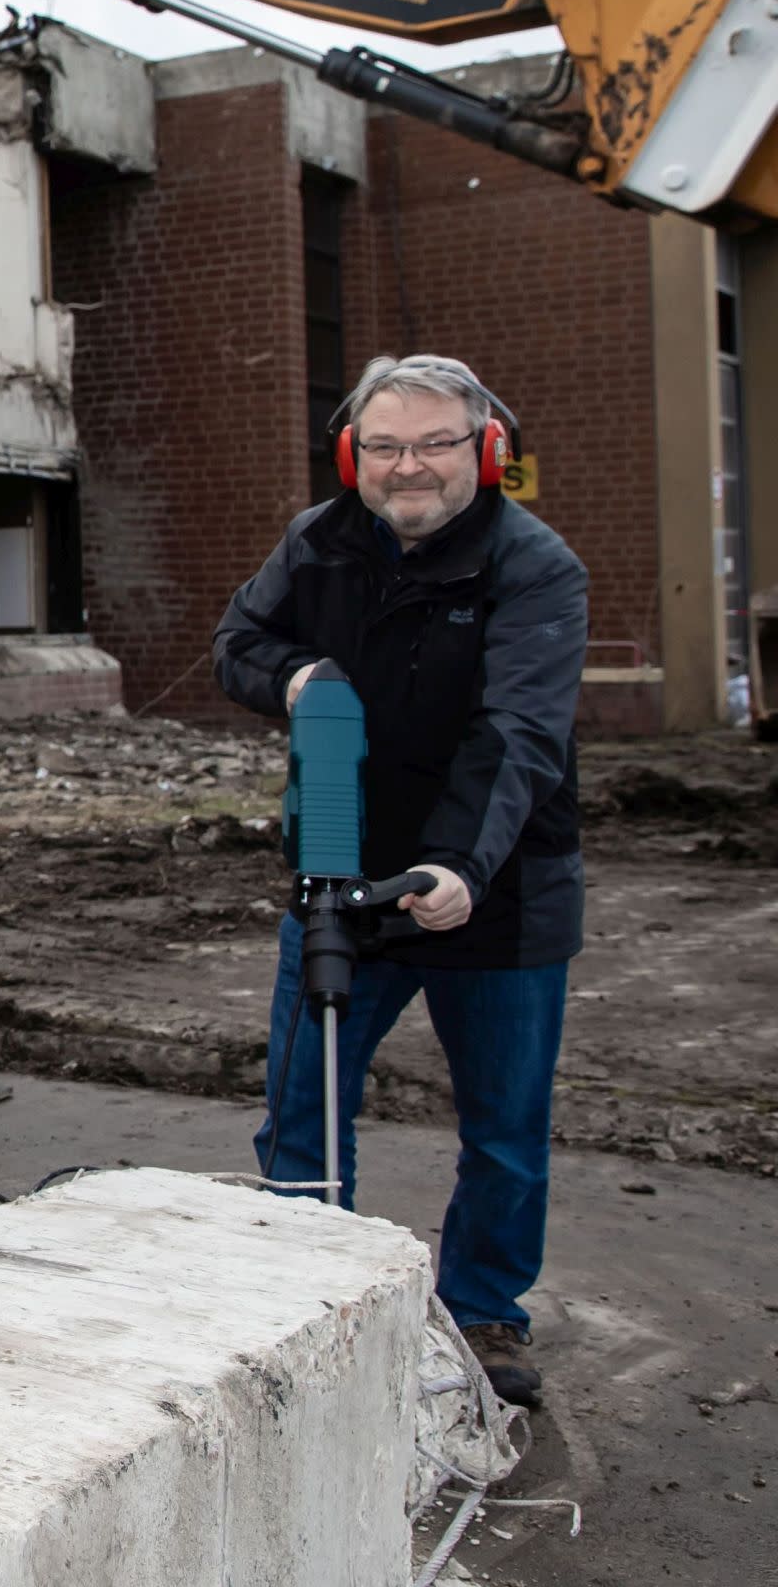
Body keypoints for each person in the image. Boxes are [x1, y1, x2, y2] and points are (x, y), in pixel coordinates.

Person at [214, 353, 586, 1407]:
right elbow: (237, 640)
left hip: (497, 889)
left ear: (486, 451)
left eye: (433, 443)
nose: (406, 466)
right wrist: (290, 676)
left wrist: (460, 864)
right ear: (352, 455)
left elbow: (517, 734)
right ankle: (310, 1289)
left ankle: (485, 1311)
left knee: (505, 1129)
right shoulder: (319, 541)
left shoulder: (535, 566)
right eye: (383, 446)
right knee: (300, 1106)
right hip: (341, 870)